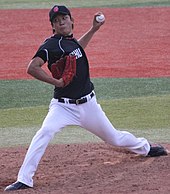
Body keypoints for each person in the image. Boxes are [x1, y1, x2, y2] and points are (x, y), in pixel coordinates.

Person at [4, 5, 167, 191]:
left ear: (72, 21)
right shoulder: (51, 44)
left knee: (114, 138)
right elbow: (32, 67)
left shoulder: (70, 41)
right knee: (44, 132)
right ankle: (24, 179)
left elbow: (77, 48)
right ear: (53, 27)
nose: (61, 22)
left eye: (64, 18)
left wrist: (93, 29)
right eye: (56, 21)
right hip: (63, 108)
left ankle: (145, 148)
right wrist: (55, 82)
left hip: (89, 106)